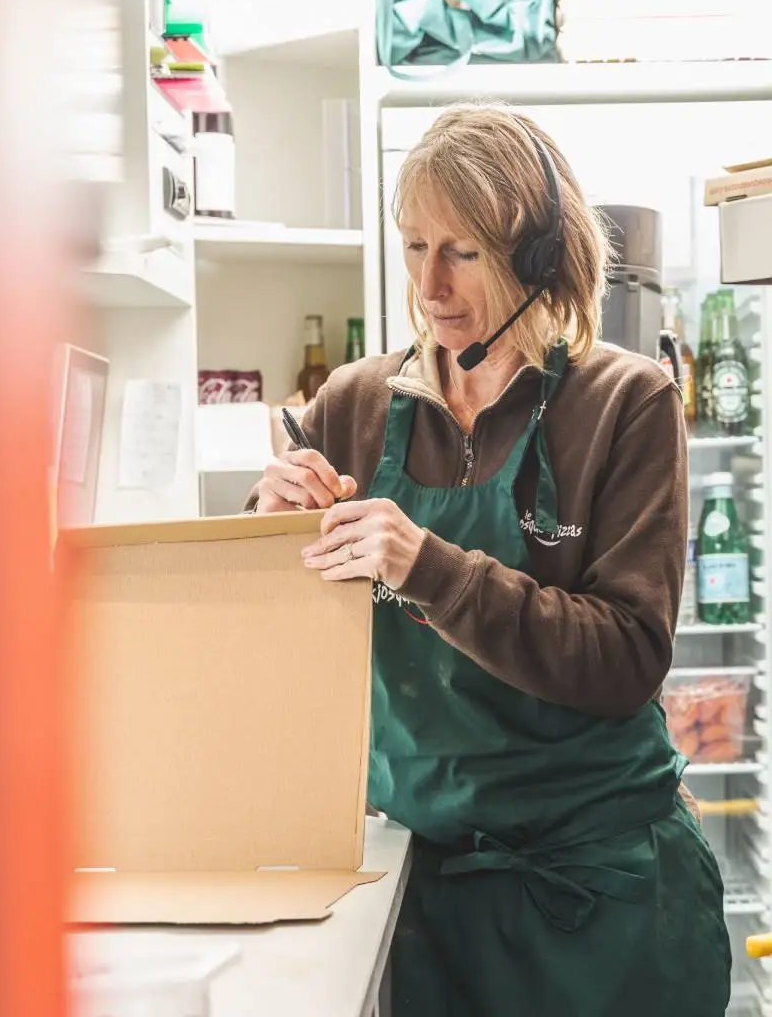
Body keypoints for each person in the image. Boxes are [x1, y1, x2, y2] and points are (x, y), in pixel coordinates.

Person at [249, 105, 731, 1016]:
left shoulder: (628, 403)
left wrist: (429, 568)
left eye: (462, 252)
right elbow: (275, 651)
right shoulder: (351, 404)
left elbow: (627, 658)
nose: (430, 285)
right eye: (414, 246)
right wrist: (268, 531)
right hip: (426, 894)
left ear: (540, 255)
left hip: (604, 894)